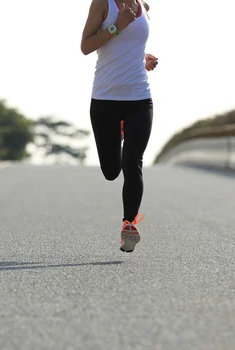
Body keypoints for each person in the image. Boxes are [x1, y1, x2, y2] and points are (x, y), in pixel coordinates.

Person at [81, 0, 158, 252]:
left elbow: (132, 46)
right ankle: (121, 130)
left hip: (139, 97)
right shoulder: (103, 4)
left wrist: (142, 58)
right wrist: (115, 27)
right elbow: (85, 46)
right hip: (105, 100)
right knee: (112, 170)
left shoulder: (143, 7)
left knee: (133, 161)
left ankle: (129, 225)